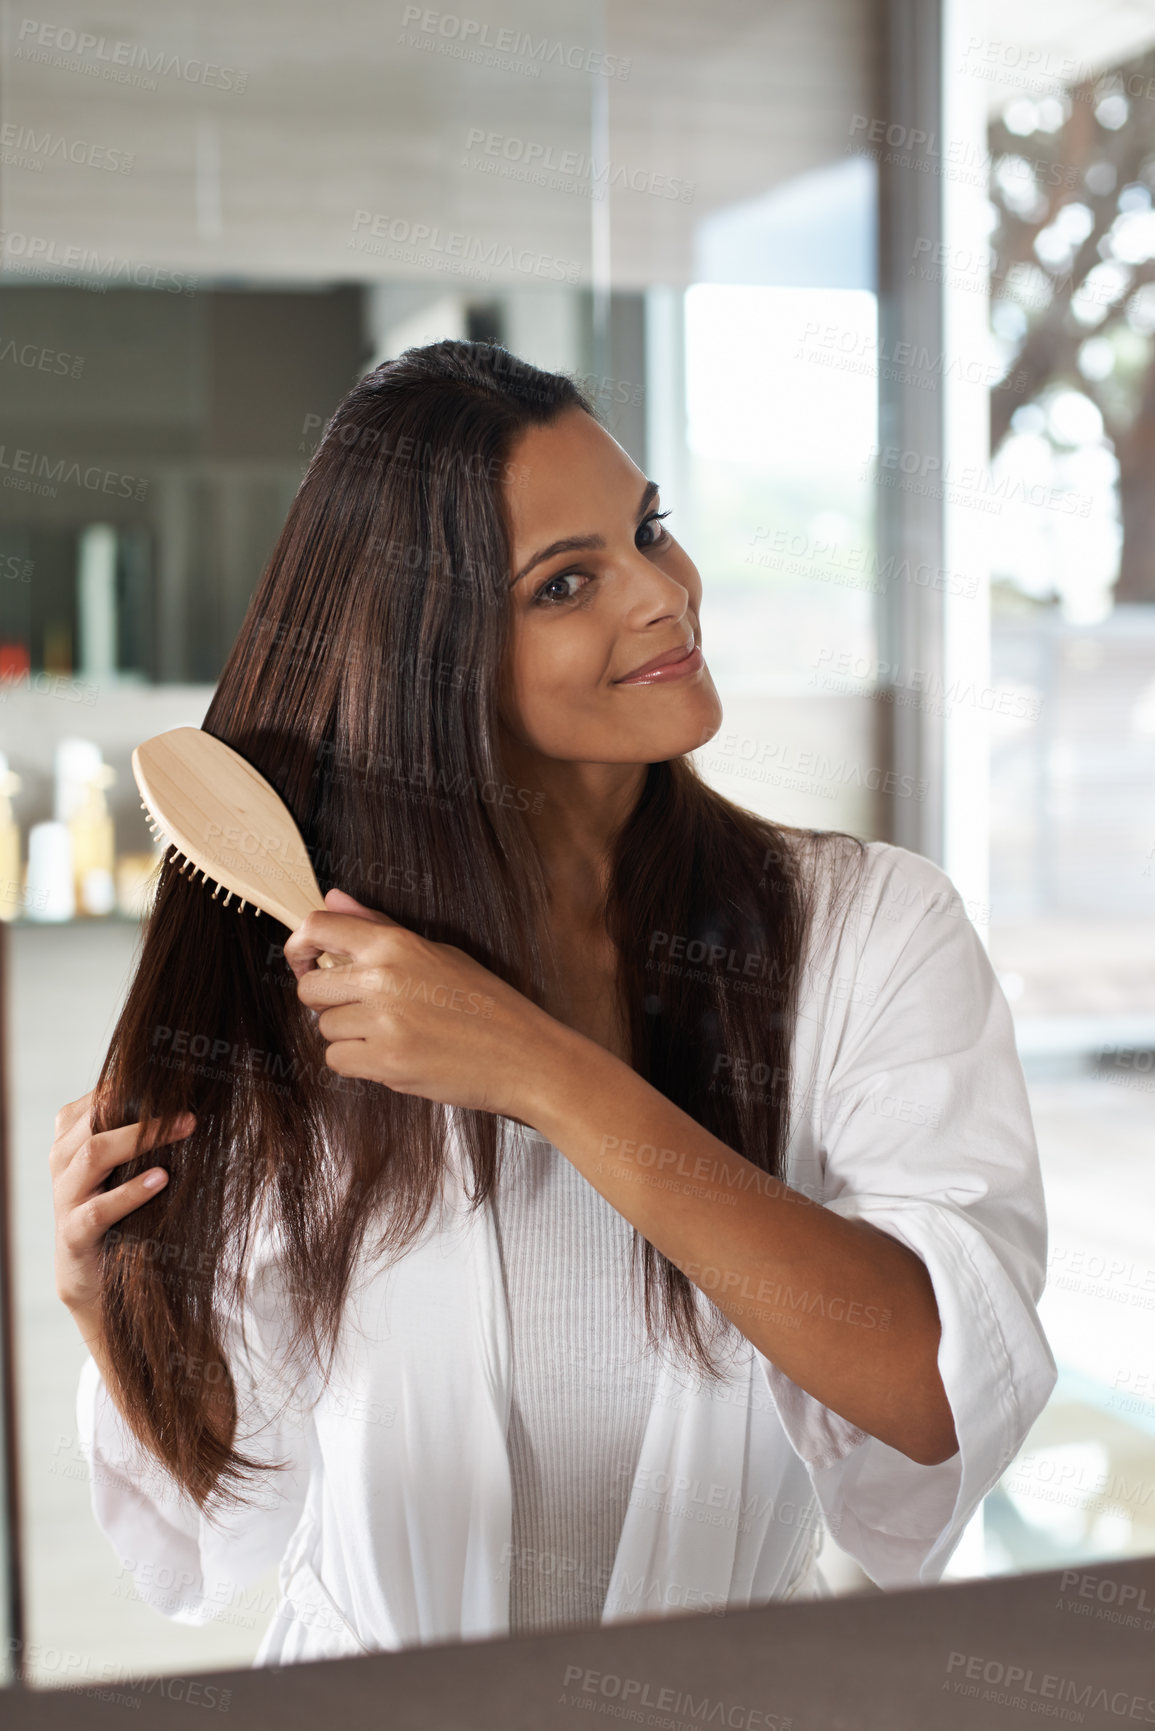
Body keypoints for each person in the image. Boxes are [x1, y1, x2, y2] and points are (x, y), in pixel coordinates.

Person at [51, 338, 1055, 1664]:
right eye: (567, 581)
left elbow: (935, 1390)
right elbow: (221, 1488)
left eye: (648, 530)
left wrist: (544, 1072)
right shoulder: (304, 984)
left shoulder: (868, 935)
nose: (662, 594)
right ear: (431, 659)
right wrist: (108, 1301)